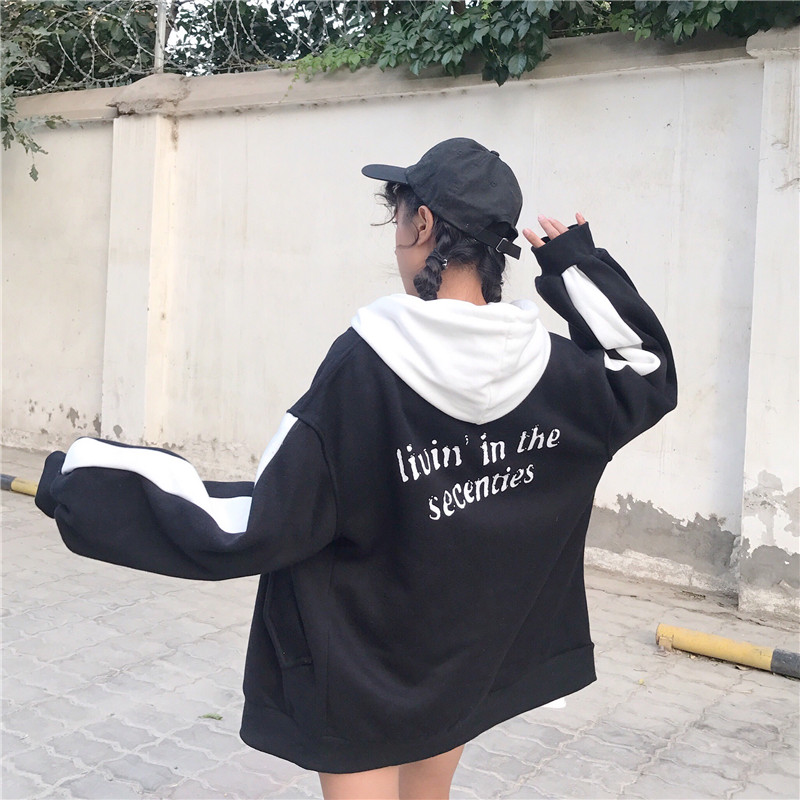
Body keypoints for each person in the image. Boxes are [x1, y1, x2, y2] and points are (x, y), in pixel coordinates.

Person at [35, 137, 677, 800]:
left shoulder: (365, 367)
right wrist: (576, 267)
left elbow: (265, 521)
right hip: (465, 661)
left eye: (396, 217)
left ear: (421, 224)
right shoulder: (554, 370)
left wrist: (80, 481)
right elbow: (649, 371)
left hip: (361, 668)